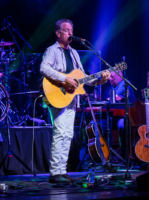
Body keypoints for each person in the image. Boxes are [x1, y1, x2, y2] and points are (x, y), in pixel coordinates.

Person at [40, 19, 110, 183]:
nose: (71, 33)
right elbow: (44, 68)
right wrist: (65, 79)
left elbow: (81, 78)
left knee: (68, 134)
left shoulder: (74, 52)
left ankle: (61, 170)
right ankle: (55, 173)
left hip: (71, 98)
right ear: (58, 33)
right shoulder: (52, 50)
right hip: (56, 94)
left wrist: (100, 80)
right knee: (60, 133)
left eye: (71, 29)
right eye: (66, 30)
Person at [101, 70, 135, 160]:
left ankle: (125, 156)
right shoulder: (109, 88)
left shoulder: (124, 84)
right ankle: (105, 156)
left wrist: (108, 99)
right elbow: (104, 102)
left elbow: (115, 98)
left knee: (122, 125)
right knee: (98, 126)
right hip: (112, 116)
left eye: (112, 77)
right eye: (109, 77)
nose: (110, 79)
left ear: (120, 76)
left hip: (125, 116)